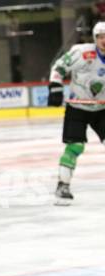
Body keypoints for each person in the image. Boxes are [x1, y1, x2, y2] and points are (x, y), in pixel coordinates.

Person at [48, 21, 105, 205]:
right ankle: (62, 185)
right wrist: (55, 87)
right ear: (95, 39)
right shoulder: (82, 52)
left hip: (102, 109)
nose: (104, 40)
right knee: (75, 147)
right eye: (100, 37)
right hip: (77, 107)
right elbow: (58, 68)